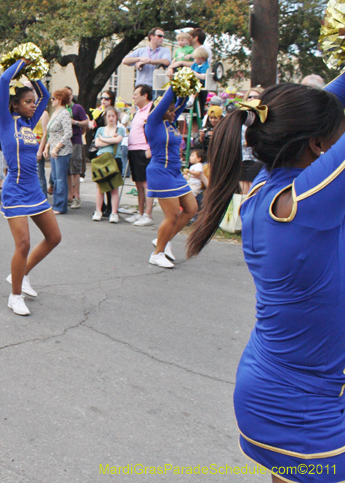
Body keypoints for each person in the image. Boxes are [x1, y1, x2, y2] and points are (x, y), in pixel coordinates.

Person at [186, 75, 345, 482]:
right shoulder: (305, 200)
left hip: (279, 386)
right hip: (303, 405)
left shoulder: (267, 186)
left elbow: (315, 106)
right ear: (317, 146)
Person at [0, 59, 62, 316]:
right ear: (14, 104)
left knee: (54, 237)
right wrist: (23, 62)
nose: (33, 105)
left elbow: (45, 94)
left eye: (33, 102)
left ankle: (22, 275)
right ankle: (15, 296)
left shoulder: (28, 122)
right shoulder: (5, 121)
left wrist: (34, 74)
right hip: (15, 190)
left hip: (34, 189)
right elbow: (4, 80)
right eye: (27, 101)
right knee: (23, 244)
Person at [144, 87, 196, 268]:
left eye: (175, 110)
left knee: (191, 208)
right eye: (170, 110)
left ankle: (163, 240)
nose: (174, 113)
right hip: (161, 172)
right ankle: (157, 253)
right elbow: (167, 99)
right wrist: (175, 85)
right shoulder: (153, 122)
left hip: (175, 173)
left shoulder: (170, 123)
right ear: (161, 109)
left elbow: (179, 103)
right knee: (172, 215)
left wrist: (188, 87)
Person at [125, 84, 155, 226]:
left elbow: (155, 130)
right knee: (138, 184)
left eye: (136, 94)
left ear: (145, 95)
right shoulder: (138, 110)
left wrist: (151, 149)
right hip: (133, 149)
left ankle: (148, 215)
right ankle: (141, 212)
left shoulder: (152, 109)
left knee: (146, 183)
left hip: (144, 149)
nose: (133, 96)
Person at [91, 106, 126, 222]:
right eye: (109, 116)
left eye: (113, 116)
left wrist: (104, 139)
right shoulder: (100, 129)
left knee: (114, 188)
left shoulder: (119, 129)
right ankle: (98, 211)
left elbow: (117, 141)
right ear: (106, 117)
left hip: (114, 159)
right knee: (100, 188)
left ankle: (114, 213)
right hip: (101, 159)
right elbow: (97, 144)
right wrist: (110, 139)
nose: (111, 118)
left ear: (116, 117)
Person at [46, 88, 73, 214]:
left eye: (54, 98)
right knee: (55, 178)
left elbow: (68, 133)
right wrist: (48, 146)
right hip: (53, 150)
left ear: (60, 100)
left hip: (62, 151)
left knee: (60, 179)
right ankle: (57, 204)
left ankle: (60, 206)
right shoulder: (55, 113)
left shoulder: (64, 113)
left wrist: (57, 147)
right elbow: (51, 132)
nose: (52, 100)